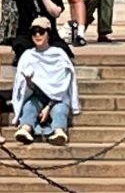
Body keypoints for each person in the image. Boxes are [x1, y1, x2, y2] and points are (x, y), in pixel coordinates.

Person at [11, 16, 79, 145]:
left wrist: (48, 107)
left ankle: (59, 132)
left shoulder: (58, 54)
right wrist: (29, 83)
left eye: (41, 32)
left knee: (59, 110)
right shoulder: (27, 56)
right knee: (29, 107)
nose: (37, 35)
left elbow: (62, 86)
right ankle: (25, 128)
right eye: (34, 32)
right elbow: (21, 88)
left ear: (48, 34)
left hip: (57, 98)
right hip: (37, 96)